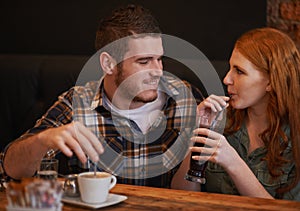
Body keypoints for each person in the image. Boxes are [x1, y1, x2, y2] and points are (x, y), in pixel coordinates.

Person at [3, 4, 202, 189]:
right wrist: (43, 140)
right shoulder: (77, 103)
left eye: (159, 59)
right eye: (144, 61)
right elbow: (9, 168)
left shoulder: (186, 98)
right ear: (108, 64)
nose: (158, 71)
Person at [191, 27, 300, 200]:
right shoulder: (220, 119)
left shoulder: (294, 138)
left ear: (271, 81)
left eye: (239, 71)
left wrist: (233, 162)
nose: (227, 79)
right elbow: (183, 193)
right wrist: (195, 131)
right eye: (230, 68)